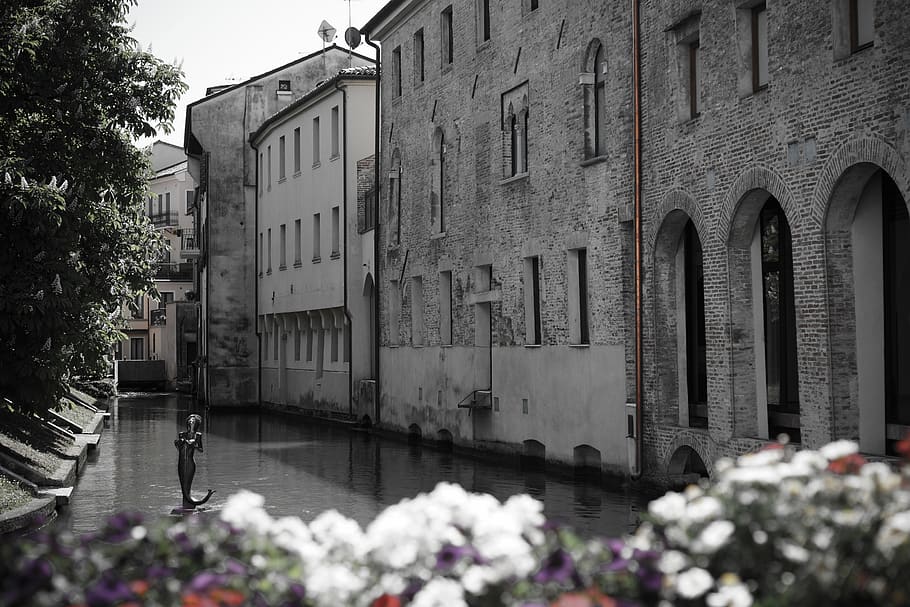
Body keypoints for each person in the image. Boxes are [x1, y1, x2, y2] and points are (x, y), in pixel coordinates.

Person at [175, 413, 214, 509]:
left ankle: (190, 503)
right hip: (181, 462)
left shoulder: (198, 435)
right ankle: (186, 503)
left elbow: (201, 450)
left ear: (196, 423)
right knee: (183, 485)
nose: (191, 421)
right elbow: (179, 448)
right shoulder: (182, 434)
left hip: (190, 463)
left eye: (193, 420)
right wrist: (178, 443)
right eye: (190, 420)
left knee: (187, 484)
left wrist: (193, 445)